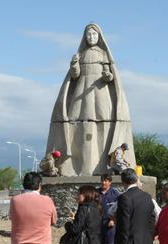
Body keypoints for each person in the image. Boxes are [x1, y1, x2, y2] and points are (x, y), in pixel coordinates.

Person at [46, 23, 136, 176]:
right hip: (81, 92)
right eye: (88, 34)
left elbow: (109, 74)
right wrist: (74, 64)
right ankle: (75, 163)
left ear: (99, 36)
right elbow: (75, 75)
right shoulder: (80, 54)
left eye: (94, 34)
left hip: (100, 92)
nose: (91, 37)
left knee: (103, 121)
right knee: (76, 121)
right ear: (84, 37)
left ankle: (103, 163)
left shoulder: (103, 54)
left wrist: (108, 76)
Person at [98, 174, 120, 244]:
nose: (104, 183)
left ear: (110, 182)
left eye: (106, 181)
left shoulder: (115, 194)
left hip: (110, 225)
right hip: (98, 225)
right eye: (102, 180)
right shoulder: (96, 193)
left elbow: (119, 209)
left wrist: (113, 220)